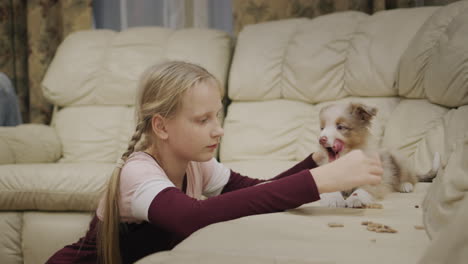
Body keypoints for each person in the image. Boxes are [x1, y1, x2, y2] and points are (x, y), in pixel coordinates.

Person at [46, 61, 383, 264]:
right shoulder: (138, 173)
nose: (218, 129)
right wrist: (321, 180)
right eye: (202, 120)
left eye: (217, 116)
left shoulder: (195, 164)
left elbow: (261, 192)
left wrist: (316, 161)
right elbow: (191, 218)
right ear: (161, 126)